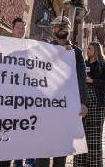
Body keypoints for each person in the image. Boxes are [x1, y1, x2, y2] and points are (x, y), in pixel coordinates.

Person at [35, 15, 88, 167]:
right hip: (46, 107)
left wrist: (83, 102)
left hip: (67, 108)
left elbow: (81, 78)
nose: (61, 27)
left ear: (69, 30)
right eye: (58, 25)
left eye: (65, 25)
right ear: (53, 29)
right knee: (43, 151)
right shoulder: (46, 49)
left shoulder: (77, 53)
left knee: (61, 152)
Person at [0, 18, 34, 167]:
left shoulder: (29, 49)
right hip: (0, 98)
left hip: (17, 100)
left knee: (10, 134)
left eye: (23, 28)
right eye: (18, 27)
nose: (21, 30)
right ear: (12, 29)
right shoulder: (3, 45)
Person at [73, 41, 105, 167]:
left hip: (97, 103)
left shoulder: (103, 65)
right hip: (83, 101)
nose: (87, 51)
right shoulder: (83, 64)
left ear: (95, 50)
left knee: (94, 139)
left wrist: (92, 80)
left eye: (89, 48)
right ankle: (79, 164)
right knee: (80, 136)